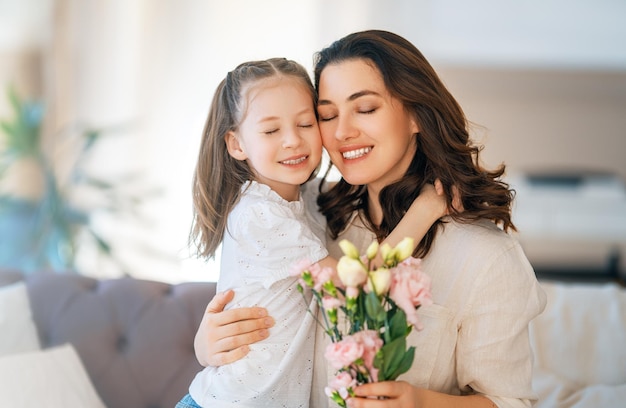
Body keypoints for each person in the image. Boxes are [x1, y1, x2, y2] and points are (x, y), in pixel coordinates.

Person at [192, 31, 547, 408]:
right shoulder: (307, 211)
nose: (342, 132)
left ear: (416, 114)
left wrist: (420, 403)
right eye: (327, 115)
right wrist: (207, 344)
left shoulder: (485, 256)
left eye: (365, 109)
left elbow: (510, 402)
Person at [176, 57, 448, 408]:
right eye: (271, 131)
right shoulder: (260, 215)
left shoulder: (300, 197)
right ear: (236, 144)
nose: (293, 141)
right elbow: (356, 287)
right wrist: (425, 210)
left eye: (306, 123)